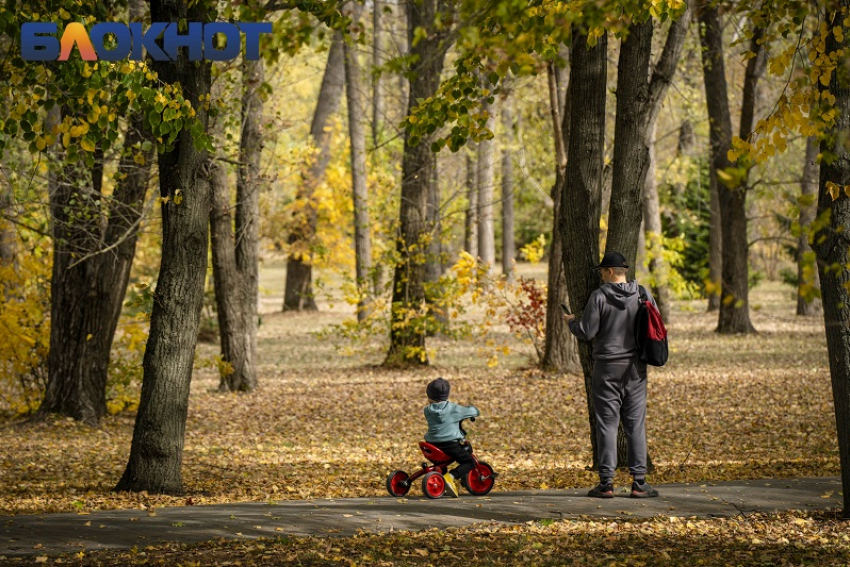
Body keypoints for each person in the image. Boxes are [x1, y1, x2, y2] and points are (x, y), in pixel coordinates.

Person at [564, 251, 660, 499]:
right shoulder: (642, 293)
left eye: (602, 271)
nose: (601, 275)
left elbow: (586, 331)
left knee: (607, 425)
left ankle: (606, 483)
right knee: (635, 425)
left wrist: (571, 321)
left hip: (606, 369)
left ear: (608, 271)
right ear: (624, 270)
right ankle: (639, 483)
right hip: (636, 369)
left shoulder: (599, 296)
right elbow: (656, 322)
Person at [423, 377, 480, 498]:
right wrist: (473, 410)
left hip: (432, 445)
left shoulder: (427, 410)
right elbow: (473, 411)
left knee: (441, 464)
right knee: (469, 461)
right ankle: (450, 477)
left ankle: (441, 483)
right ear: (446, 395)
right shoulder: (454, 409)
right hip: (450, 445)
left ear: (429, 396)